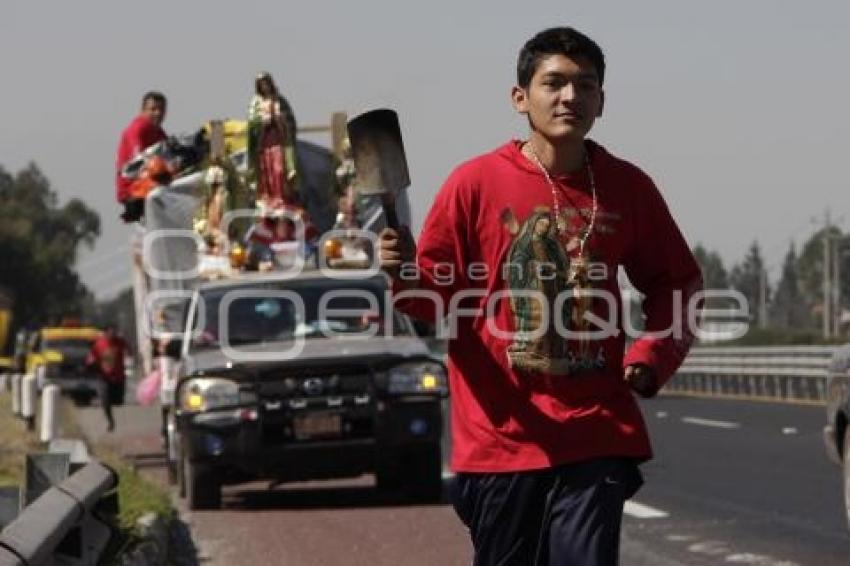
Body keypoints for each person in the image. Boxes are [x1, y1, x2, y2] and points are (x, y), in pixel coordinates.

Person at [379, 27, 703, 565]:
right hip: (501, 439)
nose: (570, 97)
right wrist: (403, 273)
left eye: (585, 85)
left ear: (601, 100)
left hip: (595, 431)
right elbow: (430, 301)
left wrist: (651, 357)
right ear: (520, 97)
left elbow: (680, 284)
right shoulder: (473, 185)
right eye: (553, 83)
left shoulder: (628, 187)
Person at [247, 72, 298, 209]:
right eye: (262, 84)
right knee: (266, 171)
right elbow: (252, 124)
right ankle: (268, 197)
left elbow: (290, 120)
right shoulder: (255, 103)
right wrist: (262, 122)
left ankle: (281, 196)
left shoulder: (279, 100)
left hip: (279, 141)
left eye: (266, 83)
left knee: (279, 170)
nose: (265, 87)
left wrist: (279, 118)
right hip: (263, 144)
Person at [116, 92, 168, 219]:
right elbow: (138, 161)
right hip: (133, 191)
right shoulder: (138, 129)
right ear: (143, 111)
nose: (158, 113)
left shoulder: (159, 132)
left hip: (150, 187)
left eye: (161, 109)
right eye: (153, 109)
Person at [87, 325, 131, 432]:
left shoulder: (120, 342)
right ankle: (110, 421)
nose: (113, 335)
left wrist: (128, 358)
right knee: (105, 400)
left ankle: (114, 404)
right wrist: (91, 363)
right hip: (103, 377)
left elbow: (129, 352)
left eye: (114, 332)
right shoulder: (99, 344)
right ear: (106, 333)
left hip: (118, 376)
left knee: (118, 401)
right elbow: (91, 357)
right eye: (111, 333)